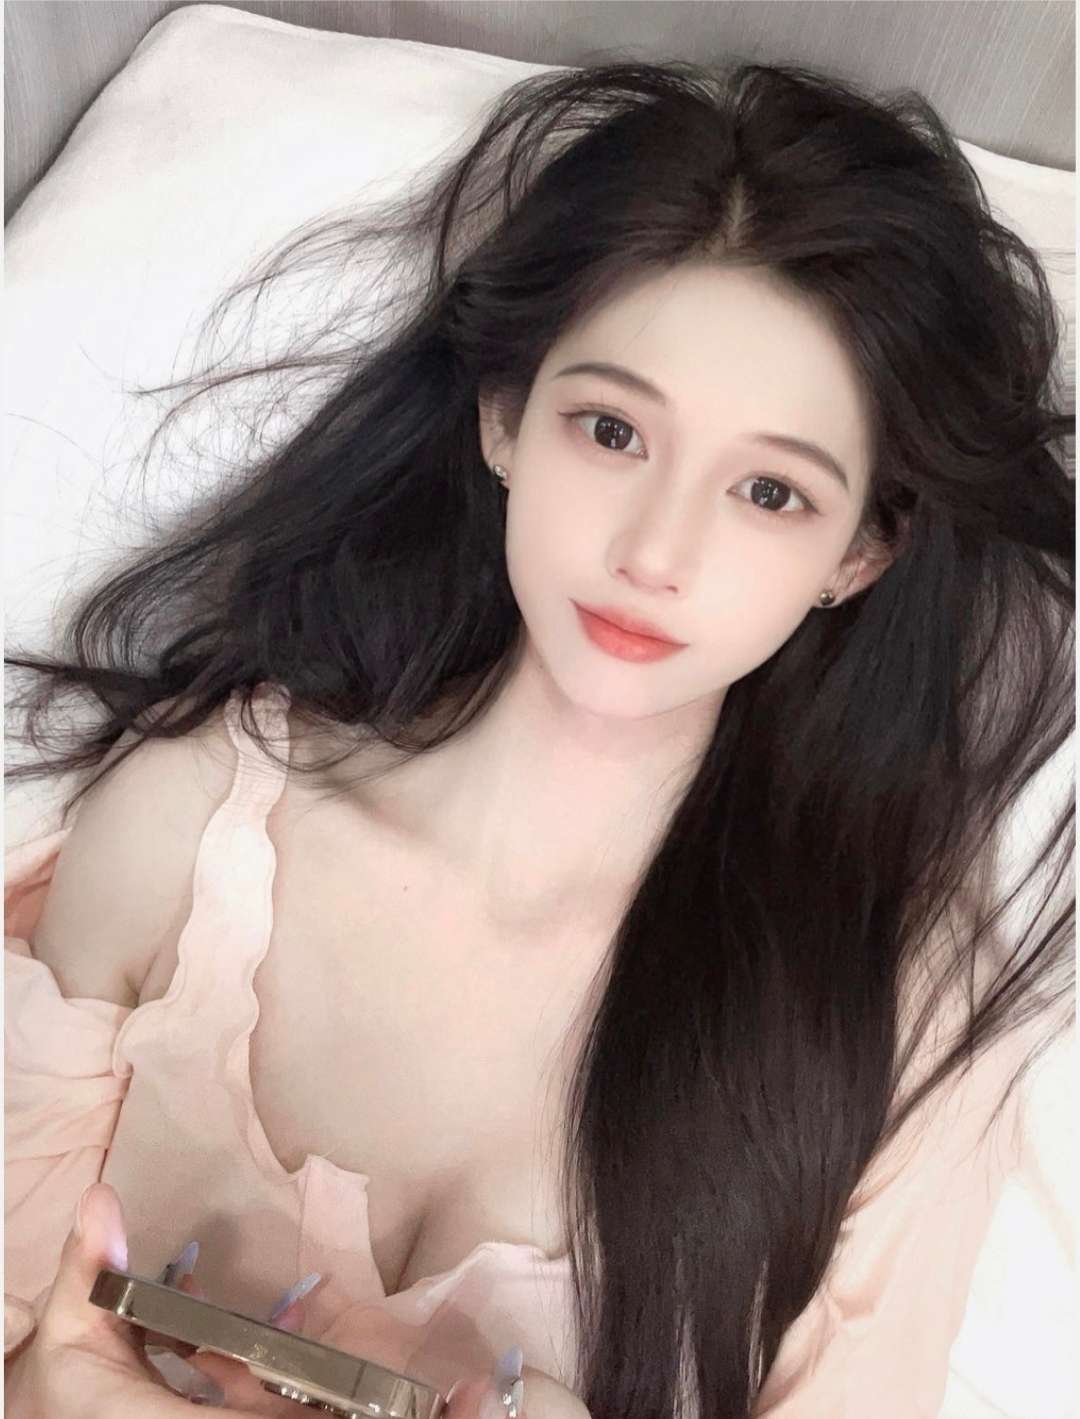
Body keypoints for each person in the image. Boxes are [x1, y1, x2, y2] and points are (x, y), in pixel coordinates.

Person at [4, 57, 1073, 1419]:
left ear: (859, 554)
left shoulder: (895, 1017)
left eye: (769, 492)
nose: (655, 551)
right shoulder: (189, 819)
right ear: (505, 417)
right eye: (612, 429)